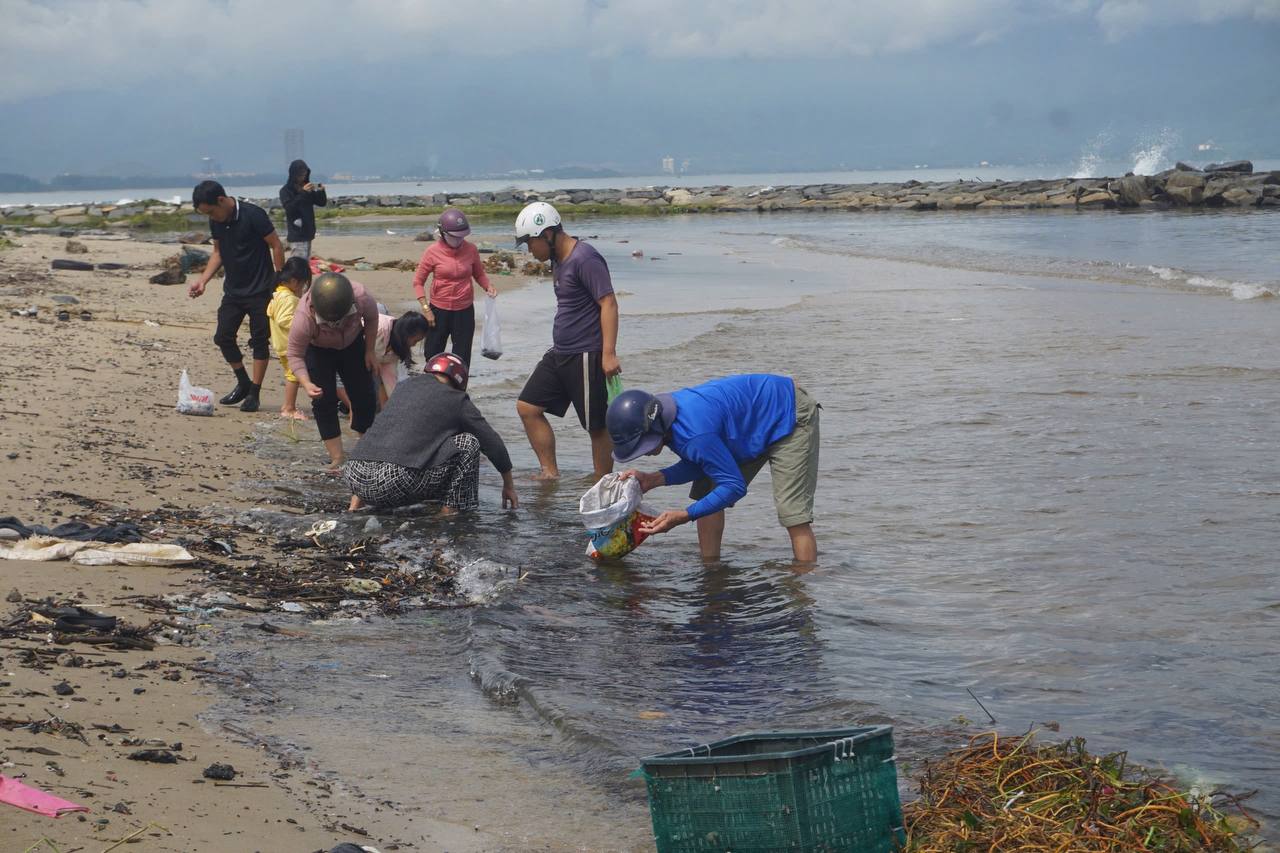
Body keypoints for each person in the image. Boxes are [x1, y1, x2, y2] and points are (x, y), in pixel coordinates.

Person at [608, 374, 821, 562]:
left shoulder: (693, 432)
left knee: (792, 513)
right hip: (749, 423)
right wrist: (651, 479)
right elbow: (699, 462)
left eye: (640, 447)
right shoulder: (661, 415)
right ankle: (710, 571)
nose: (642, 452)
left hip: (790, 414)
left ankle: (803, 588)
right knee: (708, 492)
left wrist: (684, 515)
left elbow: (734, 486)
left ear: (653, 430)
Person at [513, 201, 621, 481]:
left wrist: (608, 354)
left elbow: (608, 302)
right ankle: (550, 472)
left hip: (586, 353)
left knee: (595, 425)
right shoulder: (559, 261)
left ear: (547, 234)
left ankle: (602, 482)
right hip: (560, 352)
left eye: (530, 243)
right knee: (528, 407)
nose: (529, 251)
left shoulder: (585, 258)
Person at [344, 353, 519, 513]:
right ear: (460, 381)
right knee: (468, 442)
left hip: (354, 476)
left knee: (388, 436)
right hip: (393, 483)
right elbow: (492, 443)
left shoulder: (403, 387)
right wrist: (508, 484)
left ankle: (355, 506)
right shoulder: (457, 399)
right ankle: (450, 511)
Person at [188, 180, 285, 413]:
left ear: (221, 200)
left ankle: (254, 393)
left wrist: (279, 281)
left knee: (259, 342)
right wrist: (203, 280)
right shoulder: (217, 220)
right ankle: (243, 381)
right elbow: (218, 253)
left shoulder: (253, 215)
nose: (212, 217)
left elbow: (276, 245)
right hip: (233, 291)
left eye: (211, 212)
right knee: (223, 337)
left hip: (261, 290)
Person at [286, 272, 379, 467]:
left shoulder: (361, 296)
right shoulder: (303, 318)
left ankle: (367, 450)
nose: (336, 325)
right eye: (329, 322)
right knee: (323, 400)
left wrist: (370, 350)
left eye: (339, 320)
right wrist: (306, 382)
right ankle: (337, 457)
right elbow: (294, 355)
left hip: (353, 345)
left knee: (365, 396)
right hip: (319, 350)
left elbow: (372, 318)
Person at [411, 208, 497, 366]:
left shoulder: (471, 249)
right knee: (432, 354)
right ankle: (433, 386)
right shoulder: (432, 252)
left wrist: (488, 286)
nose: (459, 241)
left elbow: (479, 274)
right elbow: (418, 282)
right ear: (443, 233)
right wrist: (426, 309)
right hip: (438, 311)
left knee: (462, 357)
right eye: (455, 237)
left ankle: (458, 387)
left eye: (462, 237)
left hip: (464, 311)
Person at [266, 256, 312, 420]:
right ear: (293, 281)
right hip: (288, 345)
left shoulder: (278, 294)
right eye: (302, 284)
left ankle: (289, 406)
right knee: (293, 375)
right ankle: (289, 408)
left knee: (291, 373)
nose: (303, 288)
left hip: (281, 344)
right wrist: (305, 324)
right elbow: (284, 319)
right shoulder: (288, 299)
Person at [373, 311, 430, 405]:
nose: (413, 345)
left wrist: (397, 405)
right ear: (406, 333)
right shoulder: (380, 329)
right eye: (415, 341)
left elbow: (390, 380)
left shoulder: (395, 349)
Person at [279, 160, 327, 259]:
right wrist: (303, 193)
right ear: (293, 175)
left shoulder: (307, 187)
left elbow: (321, 203)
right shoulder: (286, 190)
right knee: (298, 263)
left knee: (305, 263)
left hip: (308, 232)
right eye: (300, 175)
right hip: (297, 234)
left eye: (304, 175)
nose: (302, 178)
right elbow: (289, 208)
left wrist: (321, 191)